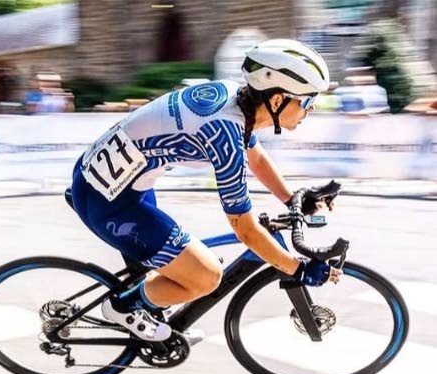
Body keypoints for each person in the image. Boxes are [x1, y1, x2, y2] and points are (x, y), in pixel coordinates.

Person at [70, 39, 342, 343]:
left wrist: (292, 199)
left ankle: (143, 302)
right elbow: (247, 232)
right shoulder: (224, 134)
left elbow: (257, 157)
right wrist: (298, 268)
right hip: (110, 202)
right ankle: (122, 308)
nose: (312, 107)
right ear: (277, 101)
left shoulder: (236, 101)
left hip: (116, 183)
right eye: (306, 101)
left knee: (185, 264)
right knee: (207, 275)